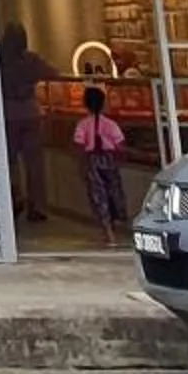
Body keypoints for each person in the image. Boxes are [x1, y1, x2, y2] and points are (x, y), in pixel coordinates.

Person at [0, 23, 61, 224]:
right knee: (34, 163)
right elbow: (54, 73)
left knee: (10, 162)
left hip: (7, 114)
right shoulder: (31, 59)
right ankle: (37, 206)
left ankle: (14, 198)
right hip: (31, 113)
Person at [72, 84, 129, 250]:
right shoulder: (111, 124)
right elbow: (120, 144)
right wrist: (122, 158)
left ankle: (108, 231)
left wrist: (80, 164)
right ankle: (115, 223)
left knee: (99, 195)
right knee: (113, 191)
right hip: (109, 160)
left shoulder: (83, 124)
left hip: (92, 161)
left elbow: (79, 145)